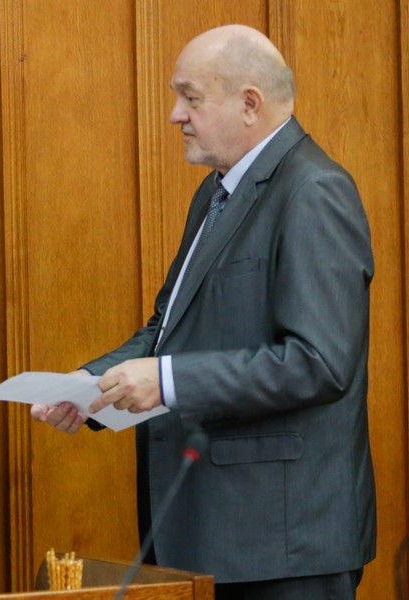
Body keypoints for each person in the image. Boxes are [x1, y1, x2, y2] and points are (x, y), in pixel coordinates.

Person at [31, 24, 376, 599]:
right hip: (217, 537)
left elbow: (318, 363)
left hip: (283, 545)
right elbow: (167, 328)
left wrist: (167, 382)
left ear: (250, 104)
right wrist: (91, 385)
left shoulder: (314, 190)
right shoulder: (216, 193)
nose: (175, 115)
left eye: (190, 98)